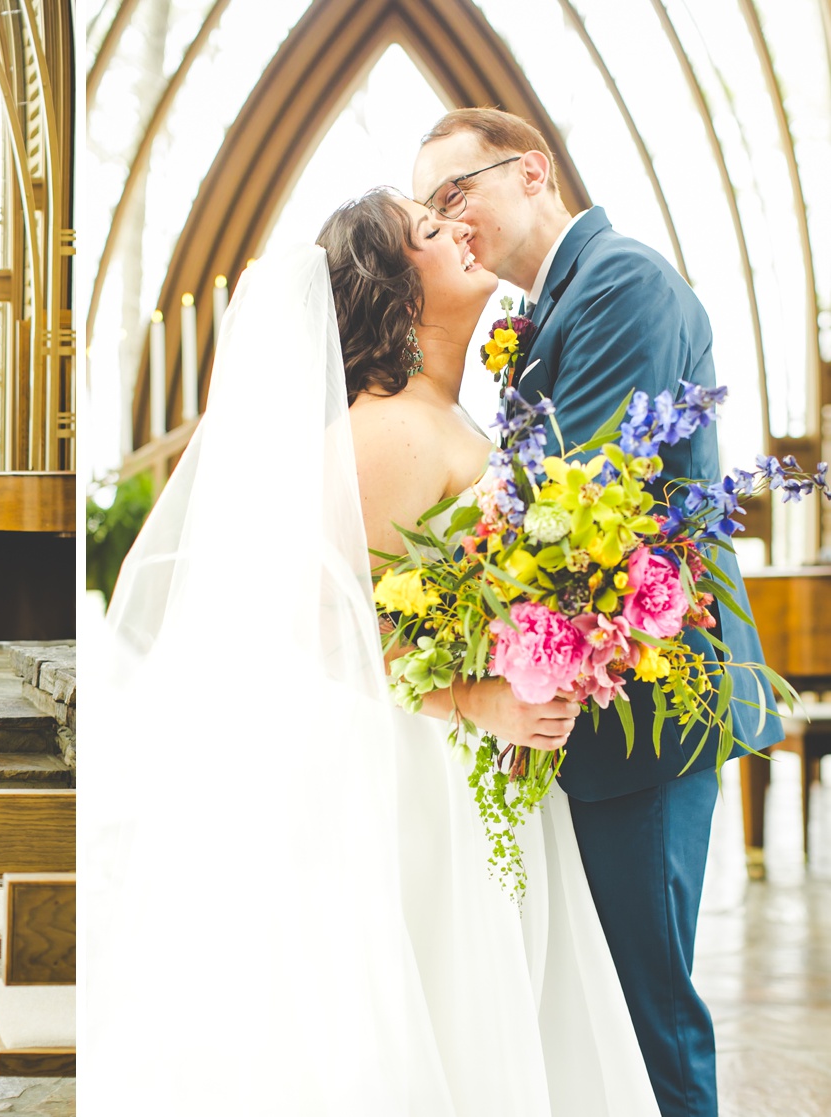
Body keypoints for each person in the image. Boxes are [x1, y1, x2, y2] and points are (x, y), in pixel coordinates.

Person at [88, 194, 660, 1112]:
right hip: (414, 783)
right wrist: (482, 700)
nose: (460, 232)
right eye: (432, 234)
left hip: (474, 769)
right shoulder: (388, 427)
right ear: (397, 295)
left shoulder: (452, 415)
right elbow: (322, 629)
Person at [414, 108, 781, 1117]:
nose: (446, 225)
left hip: (650, 714)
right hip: (597, 707)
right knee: (603, 1008)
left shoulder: (619, 282)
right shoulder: (550, 309)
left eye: (455, 194)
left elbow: (577, 513)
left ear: (532, 170)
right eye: (427, 213)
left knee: (644, 1006)